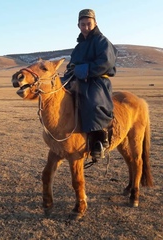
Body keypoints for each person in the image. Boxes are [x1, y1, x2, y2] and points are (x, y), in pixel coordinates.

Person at [61, 9, 118, 160]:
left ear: (95, 23)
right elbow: (71, 66)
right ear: (78, 25)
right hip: (78, 80)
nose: (86, 27)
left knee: (93, 103)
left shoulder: (101, 41)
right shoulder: (78, 47)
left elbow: (106, 63)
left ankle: (100, 140)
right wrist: (64, 79)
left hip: (97, 81)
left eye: (89, 24)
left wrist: (84, 69)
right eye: (83, 24)